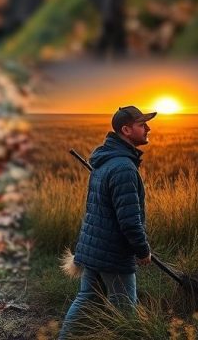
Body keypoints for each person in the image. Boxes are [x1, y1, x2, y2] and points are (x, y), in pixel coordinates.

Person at [58, 106, 156, 339]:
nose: (148, 128)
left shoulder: (106, 161)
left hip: (94, 246)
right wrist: (143, 250)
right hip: (113, 251)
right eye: (142, 124)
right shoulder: (123, 167)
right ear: (126, 130)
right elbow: (130, 221)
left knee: (85, 297)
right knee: (125, 310)